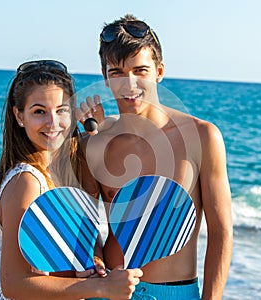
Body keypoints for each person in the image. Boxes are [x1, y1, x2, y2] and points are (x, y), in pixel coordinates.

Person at [78, 14, 233, 300]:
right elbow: (84, 231)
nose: (129, 84)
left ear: (159, 71)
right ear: (105, 77)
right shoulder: (95, 143)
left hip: (175, 292)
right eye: (117, 73)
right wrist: (98, 271)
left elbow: (221, 233)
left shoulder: (202, 137)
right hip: (108, 291)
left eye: (140, 71)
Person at [0, 59, 143, 300]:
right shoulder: (28, 182)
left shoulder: (61, 176)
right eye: (39, 112)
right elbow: (13, 284)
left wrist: (94, 262)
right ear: (19, 116)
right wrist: (101, 288)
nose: (53, 122)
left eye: (61, 110)